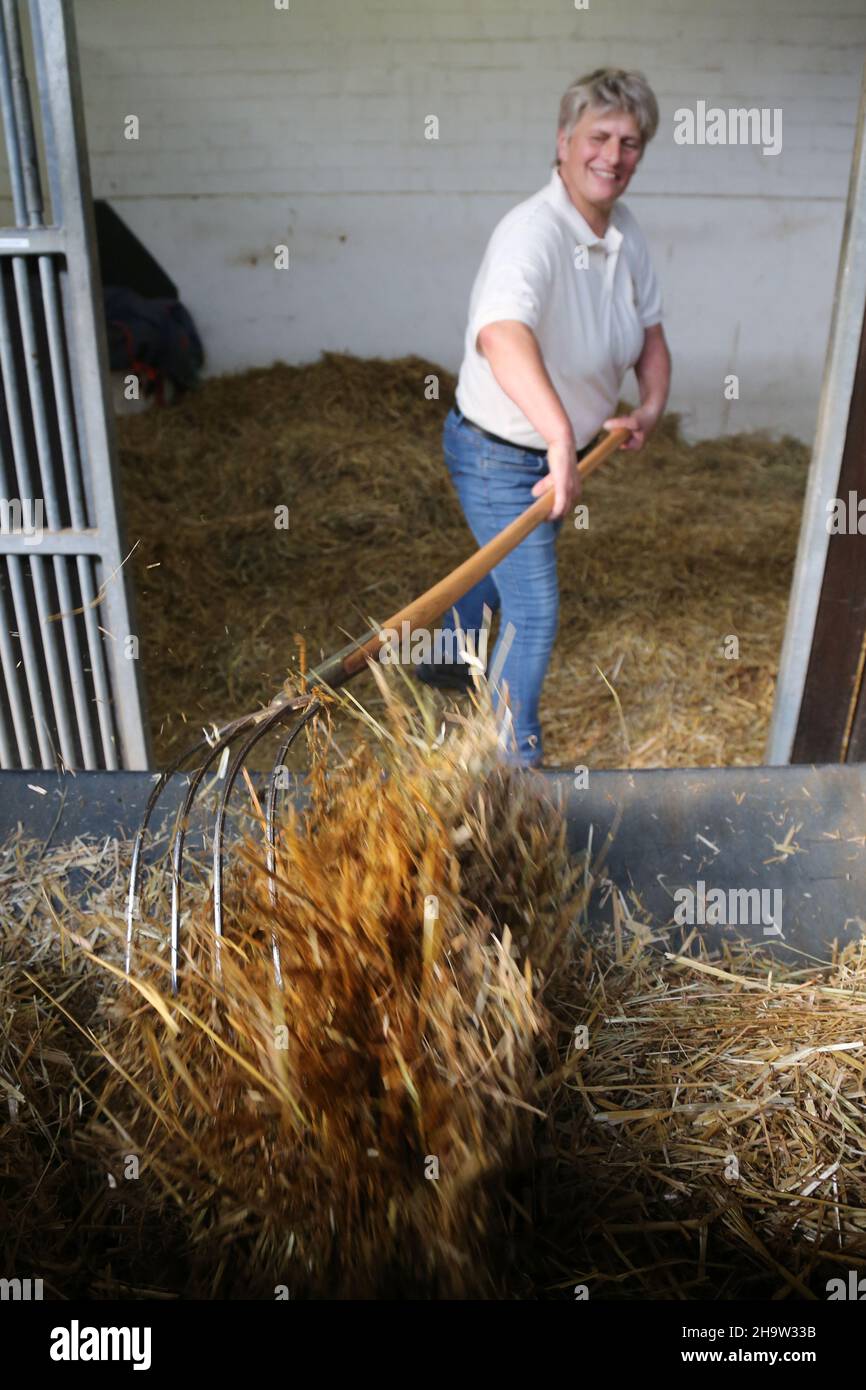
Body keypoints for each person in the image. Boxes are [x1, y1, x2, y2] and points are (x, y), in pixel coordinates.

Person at [417, 68, 671, 767]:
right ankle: (510, 765)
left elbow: (650, 337)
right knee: (533, 612)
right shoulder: (532, 232)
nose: (613, 157)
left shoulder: (626, 233)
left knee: (502, 571)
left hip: (565, 453)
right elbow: (501, 335)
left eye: (630, 142)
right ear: (563, 142)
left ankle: (442, 662)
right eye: (599, 137)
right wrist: (561, 437)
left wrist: (647, 407)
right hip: (502, 453)